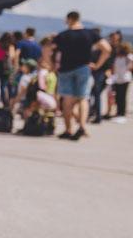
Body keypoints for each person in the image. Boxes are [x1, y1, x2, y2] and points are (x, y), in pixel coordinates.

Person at [53, 11, 111, 141]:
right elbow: (107, 49)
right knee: (83, 98)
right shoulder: (90, 34)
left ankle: (68, 129)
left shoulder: (63, 35)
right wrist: (98, 65)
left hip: (66, 69)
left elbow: (48, 48)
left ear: (69, 19)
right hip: (83, 68)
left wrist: (51, 65)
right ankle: (82, 126)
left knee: (67, 100)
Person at [107, 41, 132, 122]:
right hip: (117, 78)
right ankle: (118, 112)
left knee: (122, 96)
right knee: (117, 96)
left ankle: (122, 113)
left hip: (125, 78)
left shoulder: (129, 57)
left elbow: (130, 66)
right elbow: (114, 66)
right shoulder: (117, 57)